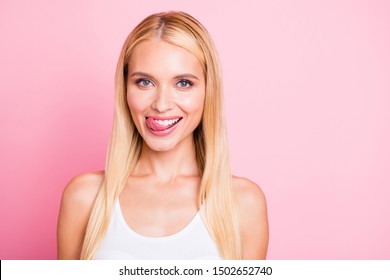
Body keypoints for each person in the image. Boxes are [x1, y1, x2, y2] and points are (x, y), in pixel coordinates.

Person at [57, 11, 268, 260]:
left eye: (183, 83)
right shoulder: (85, 198)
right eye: (145, 82)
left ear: (208, 91)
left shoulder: (243, 203)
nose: (161, 104)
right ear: (125, 88)